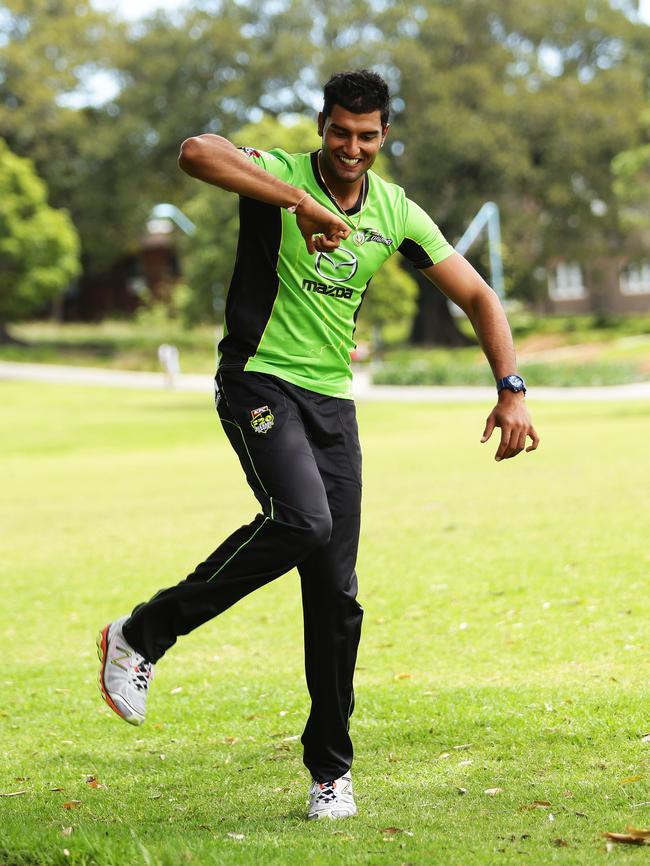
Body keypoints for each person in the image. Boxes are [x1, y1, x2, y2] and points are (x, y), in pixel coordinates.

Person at [97, 69, 539, 821]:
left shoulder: (394, 210)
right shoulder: (277, 174)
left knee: (336, 595)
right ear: (322, 127)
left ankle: (329, 774)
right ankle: (141, 634)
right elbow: (196, 151)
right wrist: (298, 202)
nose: (352, 148)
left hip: (333, 406)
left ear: (385, 136)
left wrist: (511, 387)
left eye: (367, 136)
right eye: (340, 132)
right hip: (259, 382)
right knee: (303, 521)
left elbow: (476, 295)